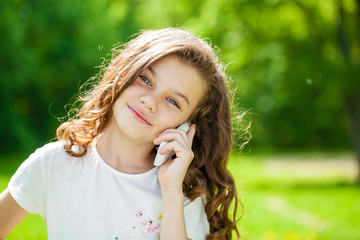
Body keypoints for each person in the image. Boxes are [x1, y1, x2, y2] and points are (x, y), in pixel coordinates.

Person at [0, 28, 242, 240]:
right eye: (145, 79)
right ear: (123, 73)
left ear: (188, 126)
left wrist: (170, 191)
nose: (149, 101)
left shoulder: (183, 192)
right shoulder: (53, 165)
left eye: (172, 100)